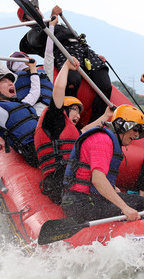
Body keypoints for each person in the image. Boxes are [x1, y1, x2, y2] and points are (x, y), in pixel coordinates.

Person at [34, 57, 113, 204]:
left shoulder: (70, 131)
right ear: (64, 110)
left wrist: (105, 116)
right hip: (59, 179)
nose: (78, 115)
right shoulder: (54, 119)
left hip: (69, 178)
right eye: (74, 110)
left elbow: (85, 130)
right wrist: (66, 66)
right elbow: (58, 90)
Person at [18, 2, 112, 124]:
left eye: (37, 9)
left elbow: (78, 40)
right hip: (65, 52)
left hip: (84, 52)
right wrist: (50, 23)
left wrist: (94, 55)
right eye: (31, 12)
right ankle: (68, 117)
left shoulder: (59, 24)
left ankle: (96, 122)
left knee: (105, 85)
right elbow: (40, 39)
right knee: (73, 80)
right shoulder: (32, 34)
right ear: (25, 19)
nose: (37, 12)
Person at [61, 104, 144, 223]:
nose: (136, 135)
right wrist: (124, 208)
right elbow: (98, 180)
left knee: (141, 202)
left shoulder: (106, 139)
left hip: (88, 198)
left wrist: (113, 189)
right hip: (81, 202)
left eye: (139, 131)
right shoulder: (102, 140)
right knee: (139, 214)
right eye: (135, 129)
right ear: (121, 126)